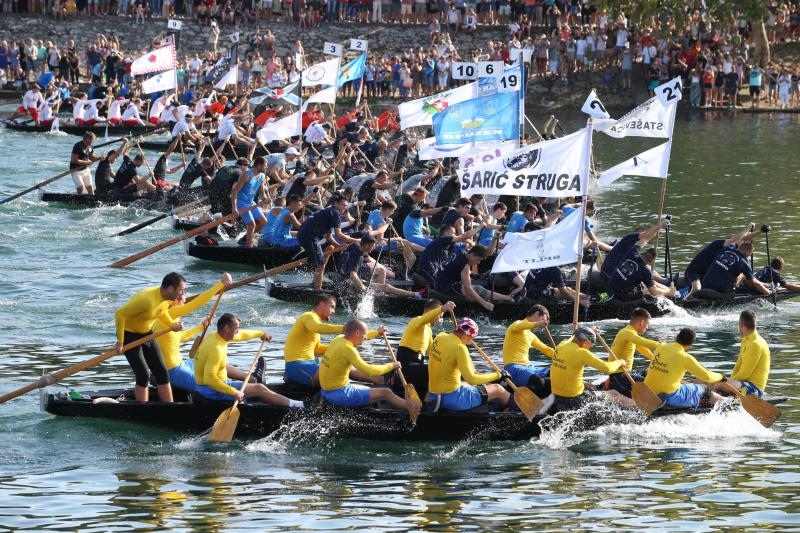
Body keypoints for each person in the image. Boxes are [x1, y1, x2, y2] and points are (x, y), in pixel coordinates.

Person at [195, 313, 304, 408]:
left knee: (227, 367)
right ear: (227, 328)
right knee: (259, 388)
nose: (238, 332)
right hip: (211, 391)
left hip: (207, 386)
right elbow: (209, 379)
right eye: (236, 329)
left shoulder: (215, 336)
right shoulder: (216, 349)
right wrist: (234, 392)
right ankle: (298, 405)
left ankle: (252, 381)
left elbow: (242, 335)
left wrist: (261, 334)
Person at [114, 272, 189, 403]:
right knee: (143, 375)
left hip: (147, 333)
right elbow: (120, 314)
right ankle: (143, 409)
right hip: (129, 335)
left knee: (162, 372)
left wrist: (172, 324)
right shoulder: (146, 299)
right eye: (181, 290)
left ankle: (170, 408)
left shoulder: (167, 299)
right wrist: (120, 341)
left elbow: (162, 311)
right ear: (170, 289)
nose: (182, 294)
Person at [319, 319, 415, 412]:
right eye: (364, 334)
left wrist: (377, 332)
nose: (365, 337)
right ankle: (413, 409)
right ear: (357, 333)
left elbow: (364, 335)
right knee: (386, 392)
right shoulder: (348, 349)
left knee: (368, 387)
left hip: (326, 390)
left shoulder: (339, 338)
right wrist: (392, 366)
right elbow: (369, 371)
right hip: (338, 394)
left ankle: (381, 387)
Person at [427, 317, 511, 412]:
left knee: (467, 384)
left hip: (434, 395)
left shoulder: (440, 336)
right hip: (453, 399)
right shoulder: (460, 348)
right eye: (471, 337)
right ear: (465, 335)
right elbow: (472, 379)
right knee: (498, 389)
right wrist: (498, 375)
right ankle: (518, 412)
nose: (471, 340)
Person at [548, 326, 628, 413]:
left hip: (558, 395)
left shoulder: (562, 344)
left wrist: (591, 331)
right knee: (613, 394)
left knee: (590, 386)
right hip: (574, 399)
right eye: (591, 345)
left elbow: (573, 336)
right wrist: (620, 362)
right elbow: (607, 368)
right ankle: (638, 409)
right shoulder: (581, 352)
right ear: (585, 343)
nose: (590, 348)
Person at [644, 328, 725, 410]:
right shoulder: (686, 357)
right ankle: (726, 403)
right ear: (690, 345)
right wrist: (720, 377)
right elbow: (707, 377)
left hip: (648, 392)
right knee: (704, 389)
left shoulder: (661, 346)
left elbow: (638, 340)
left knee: (683, 384)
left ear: (676, 337)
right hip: (669, 398)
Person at [394, 299, 456, 399]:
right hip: (406, 369)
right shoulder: (417, 321)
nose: (439, 320)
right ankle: (430, 401)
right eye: (440, 317)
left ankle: (433, 396)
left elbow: (433, 352)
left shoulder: (428, 330)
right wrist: (443, 308)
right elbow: (425, 318)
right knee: (439, 371)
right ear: (433, 311)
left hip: (416, 367)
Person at [297, 194, 361, 290]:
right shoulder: (335, 213)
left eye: (346, 205)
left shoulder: (329, 210)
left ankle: (316, 279)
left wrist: (338, 245)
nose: (344, 207)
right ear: (336, 203)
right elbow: (339, 235)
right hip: (308, 238)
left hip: (308, 236)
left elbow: (329, 237)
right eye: (343, 205)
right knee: (320, 264)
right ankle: (318, 289)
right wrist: (358, 240)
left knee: (330, 247)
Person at [334, 235, 425, 298]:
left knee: (381, 270)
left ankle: (413, 293)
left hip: (342, 275)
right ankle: (416, 295)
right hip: (348, 283)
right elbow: (352, 275)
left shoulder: (354, 245)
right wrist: (363, 288)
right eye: (373, 246)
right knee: (386, 287)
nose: (374, 248)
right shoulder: (358, 257)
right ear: (366, 245)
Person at [682, 224, 758, 296]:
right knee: (697, 289)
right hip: (694, 271)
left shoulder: (731, 251)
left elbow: (744, 240)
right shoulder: (718, 244)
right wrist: (748, 228)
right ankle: (685, 302)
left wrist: (756, 232)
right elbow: (738, 239)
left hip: (706, 275)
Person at [601, 308, 661, 397]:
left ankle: (607, 384)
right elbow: (642, 341)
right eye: (647, 324)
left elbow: (641, 347)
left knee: (648, 371)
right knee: (652, 383)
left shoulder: (629, 332)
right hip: (619, 376)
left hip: (626, 373)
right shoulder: (627, 333)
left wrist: (654, 359)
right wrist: (663, 346)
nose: (647, 327)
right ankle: (609, 385)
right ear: (641, 322)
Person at [709, 310, 770, 397]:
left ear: (741, 325)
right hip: (742, 383)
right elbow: (738, 365)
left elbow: (745, 374)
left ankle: (711, 400)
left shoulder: (755, 344)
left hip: (754, 389)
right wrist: (729, 380)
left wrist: (726, 382)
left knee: (719, 384)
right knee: (706, 380)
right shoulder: (746, 340)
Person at [594, 220, 665, 290]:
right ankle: (666, 285)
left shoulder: (630, 244)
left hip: (609, 274)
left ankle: (663, 281)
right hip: (610, 278)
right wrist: (660, 225)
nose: (644, 244)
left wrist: (660, 226)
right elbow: (645, 236)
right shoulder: (632, 243)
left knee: (646, 273)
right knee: (647, 281)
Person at [502, 304, 554, 396]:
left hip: (527, 367)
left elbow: (545, 349)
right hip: (512, 368)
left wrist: (562, 356)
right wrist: (536, 324)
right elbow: (518, 327)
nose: (544, 324)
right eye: (543, 320)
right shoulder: (517, 324)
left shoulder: (531, 335)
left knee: (554, 372)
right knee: (537, 381)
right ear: (537, 314)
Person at [413, 223, 484, 288]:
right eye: (453, 233)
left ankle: (476, 277)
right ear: (446, 233)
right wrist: (480, 227)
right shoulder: (442, 240)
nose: (455, 235)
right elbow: (464, 236)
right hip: (427, 270)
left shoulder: (450, 246)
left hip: (436, 271)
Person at [701, 242, 772, 296]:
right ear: (746, 252)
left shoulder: (726, 249)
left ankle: (765, 285)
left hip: (705, 284)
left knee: (742, 276)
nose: (750, 255)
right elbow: (755, 283)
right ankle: (765, 288)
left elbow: (738, 240)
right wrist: (769, 293)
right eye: (751, 253)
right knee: (748, 281)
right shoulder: (743, 263)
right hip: (722, 291)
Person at [606, 246, 676, 301]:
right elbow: (654, 292)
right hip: (620, 295)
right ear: (651, 262)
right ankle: (670, 292)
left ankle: (670, 290)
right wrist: (668, 293)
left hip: (610, 287)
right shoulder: (645, 271)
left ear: (643, 253)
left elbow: (641, 241)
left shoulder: (632, 253)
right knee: (646, 290)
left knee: (651, 283)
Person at [231, 156, 269, 248]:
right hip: (241, 202)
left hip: (250, 202)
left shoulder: (262, 176)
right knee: (252, 225)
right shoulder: (246, 175)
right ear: (259, 165)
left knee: (264, 222)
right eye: (265, 166)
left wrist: (265, 199)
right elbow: (235, 191)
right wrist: (234, 208)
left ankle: (246, 238)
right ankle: (249, 247)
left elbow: (261, 193)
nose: (267, 167)